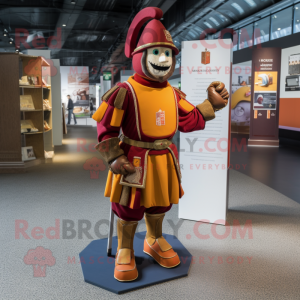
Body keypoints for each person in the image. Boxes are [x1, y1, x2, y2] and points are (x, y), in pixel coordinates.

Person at [93, 7, 229, 282]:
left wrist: (210, 104)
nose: (163, 59)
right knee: (129, 207)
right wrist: (115, 157)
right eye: (156, 52)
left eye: (167, 53)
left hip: (164, 159)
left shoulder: (173, 93)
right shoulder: (124, 92)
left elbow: (189, 120)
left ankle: (154, 239)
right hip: (133, 158)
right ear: (140, 55)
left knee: (160, 205)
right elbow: (106, 130)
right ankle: (125, 249)